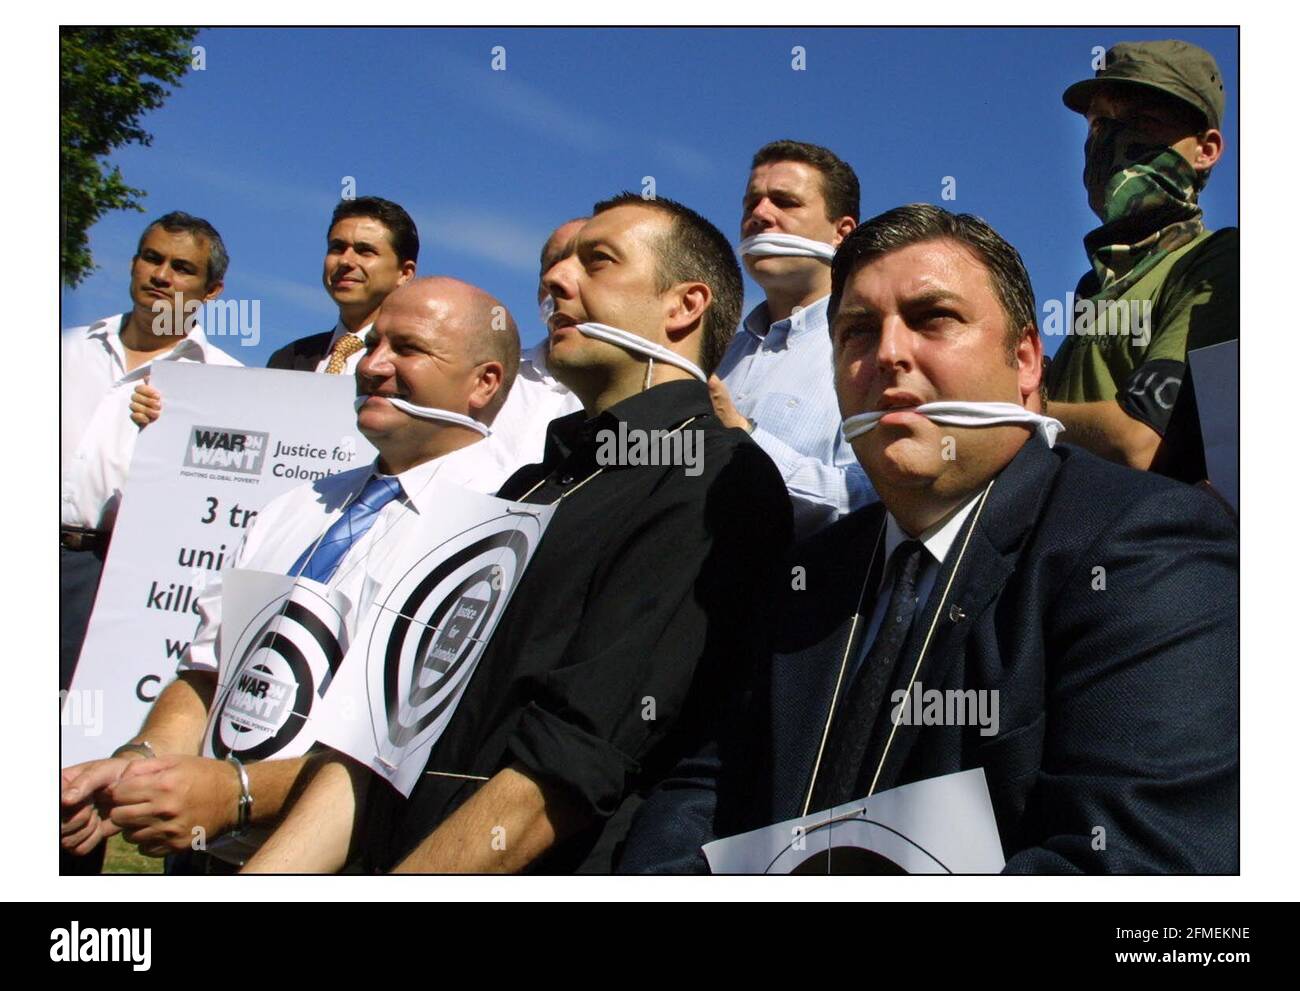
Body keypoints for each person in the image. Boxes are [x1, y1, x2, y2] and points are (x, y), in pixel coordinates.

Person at [620, 204, 1238, 874]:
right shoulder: (806, 577)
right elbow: (703, 789)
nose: (887, 353)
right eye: (857, 331)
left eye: (933, 318)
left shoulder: (1144, 547)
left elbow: (1138, 862)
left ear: (1027, 361)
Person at [244, 193, 794, 873]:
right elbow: (384, 737)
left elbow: (565, 772)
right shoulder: (529, 485)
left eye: (598, 261)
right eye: (561, 262)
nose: (557, 279)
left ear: (683, 306)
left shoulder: (714, 479)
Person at [59, 277, 520, 871]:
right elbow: (209, 670)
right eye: (373, 343)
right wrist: (141, 761)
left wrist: (239, 794)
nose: (373, 366)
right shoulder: (293, 506)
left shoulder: (500, 531)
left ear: (483, 382)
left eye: (408, 349)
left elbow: (412, 752)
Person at [1045, 40, 1237, 482]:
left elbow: (1137, 441)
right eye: (1099, 124)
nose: (1110, 142)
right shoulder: (1096, 288)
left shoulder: (1216, 263)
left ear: (1205, 150)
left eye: (1143, 122)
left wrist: (1018, 412)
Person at [708, 139, 875, 536]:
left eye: (785, 202)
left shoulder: (874, 351)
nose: (760, 215)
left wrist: (744, 437)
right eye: (751, 203)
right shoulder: (718, 356)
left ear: (842, 233)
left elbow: (873, 497)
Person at [482, 218, 584, 470]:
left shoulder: (652, 403)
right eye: (552, 265)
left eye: (589, 266)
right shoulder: (486, 377)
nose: (557, 280)